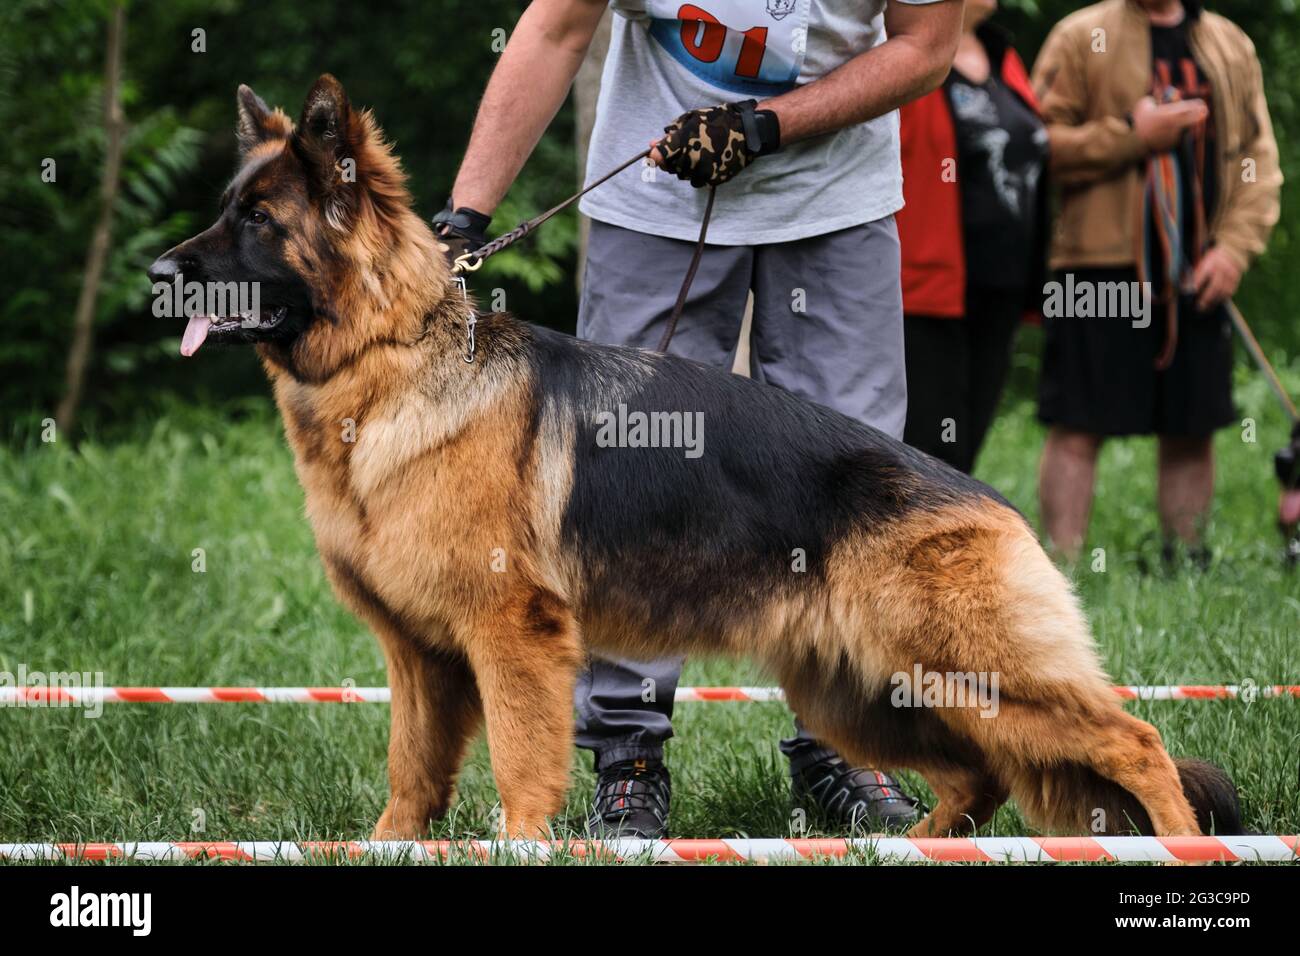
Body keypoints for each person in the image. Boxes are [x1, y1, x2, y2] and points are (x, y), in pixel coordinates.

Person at [434, 0, 963, 837]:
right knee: (630, 480)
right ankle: (627, 756)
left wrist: (769, 125)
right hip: (655, 205)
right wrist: (465, 217)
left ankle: (847, 745)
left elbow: (927, 50)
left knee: (857, 487)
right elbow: (554, 29)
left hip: (840, 200)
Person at [1031, 0, 1281, 561]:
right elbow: (1036, 143)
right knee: (1077, 422)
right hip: (1094, 265)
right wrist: (1130, 133)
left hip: (1199, 268)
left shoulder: (1227, 42)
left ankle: (1184, 561)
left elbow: (1258, 160)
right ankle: (1062, 568)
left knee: (1192, 424)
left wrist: (1234, 251)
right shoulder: (1081, 35)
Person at [898, 0, 1048, 473]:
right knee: (929, 446)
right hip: (928, 283)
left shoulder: (1004, 55)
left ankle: (964, 540)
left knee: (969, 439)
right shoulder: (908, 53)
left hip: (1001, 280)